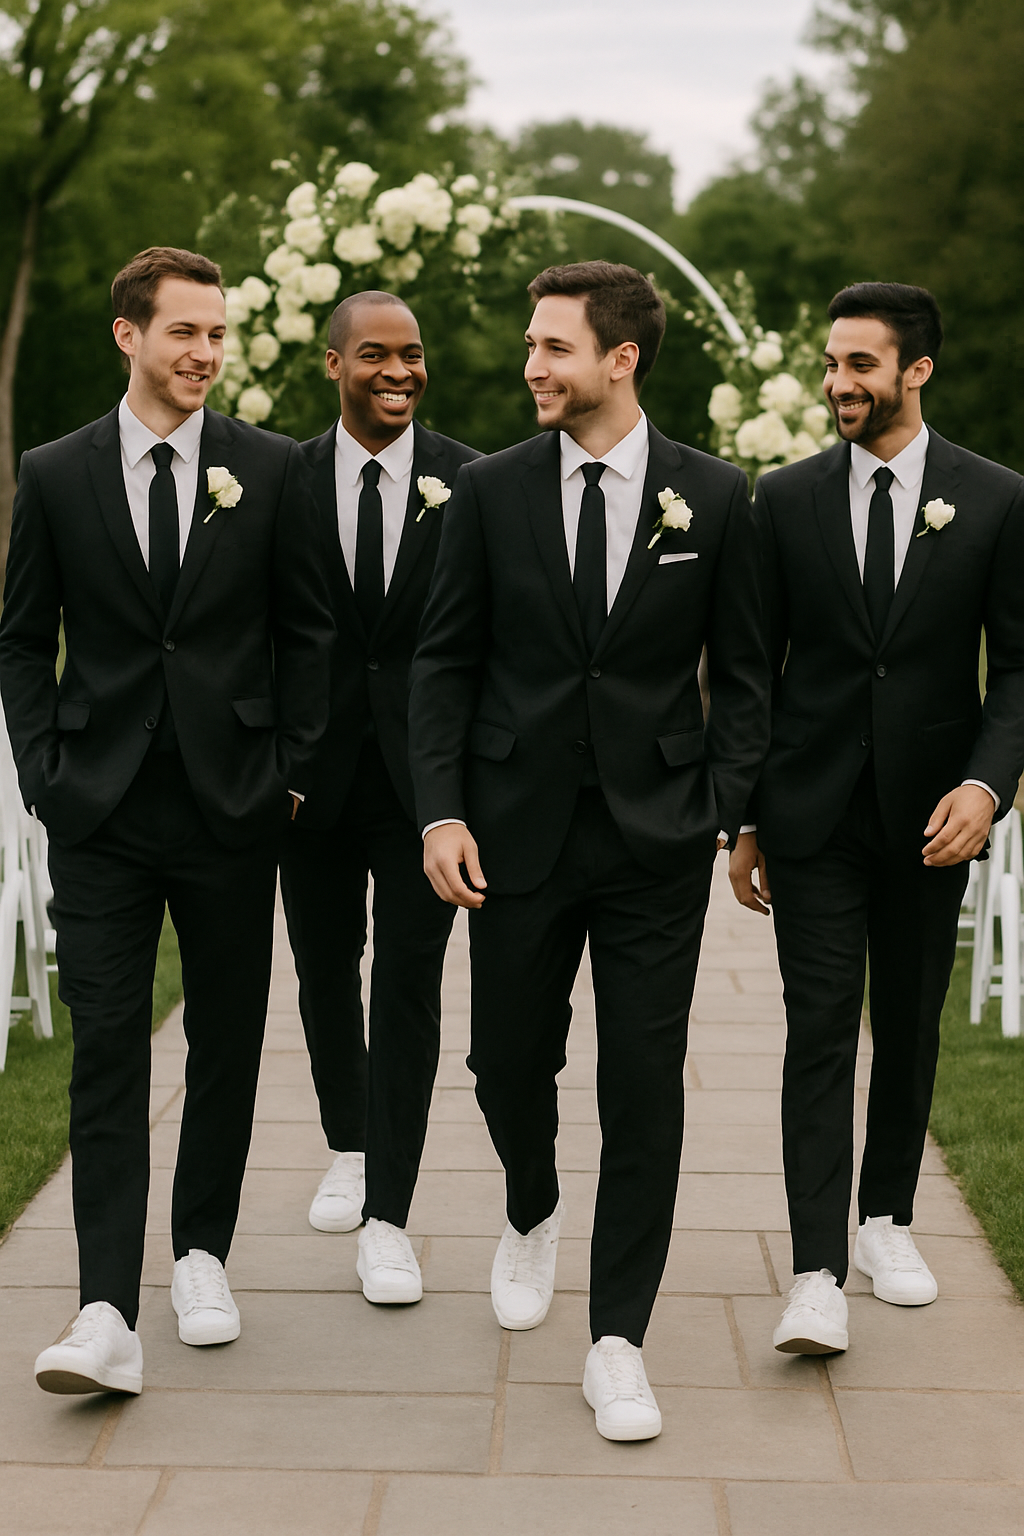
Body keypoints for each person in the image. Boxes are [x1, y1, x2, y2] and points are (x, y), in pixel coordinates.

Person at [408, 261, 769, 1440]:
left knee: (643, 1089)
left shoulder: (714, 499)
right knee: (505, 1064)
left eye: (553, 347)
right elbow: (444, 663)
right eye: (529, 346)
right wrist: (441, 810)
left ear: (620, 358)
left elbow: (748, 672)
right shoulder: (488, 490)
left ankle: (619, 1339)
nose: (531, 367)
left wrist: (717, 800)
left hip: (654, 838)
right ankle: (530, 1204)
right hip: (511, 833)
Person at [0, 247, 333, 1396]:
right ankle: (102, 1306)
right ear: (127, 336)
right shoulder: (53, 472)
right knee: (104, 1050)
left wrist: (287, 771)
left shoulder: (272, 467)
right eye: (183, 332)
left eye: (217, 334)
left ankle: (201, 1254)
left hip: (236, 807)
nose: (204, 354)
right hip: (97, 809)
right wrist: (45, 769)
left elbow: (311, 632)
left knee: (228, 1043)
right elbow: (17, 634)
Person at [729, 282, 1024, 1356]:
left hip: (932, 819)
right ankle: (813, 1273)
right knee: (817, 1035)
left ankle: (886, 1218)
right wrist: (746, 819)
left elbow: (1019, 671)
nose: (838, 384)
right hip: (810, 814)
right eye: (831, 364)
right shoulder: (786, 497)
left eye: (861, 365)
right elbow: (752, 671)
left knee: (905, 1028)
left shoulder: (994, 500)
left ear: (916, 371)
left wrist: (984, 788)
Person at [280, 291, 480, 1304]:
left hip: (425, 790)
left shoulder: (471, 482)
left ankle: (389, 1214)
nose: (399, 372)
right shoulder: (280, 479)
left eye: (412, 355)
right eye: (375, 355)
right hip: (307, 786)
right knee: (322, 972)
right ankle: (347, 1142)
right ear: (333, 366)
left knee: (406, 983)